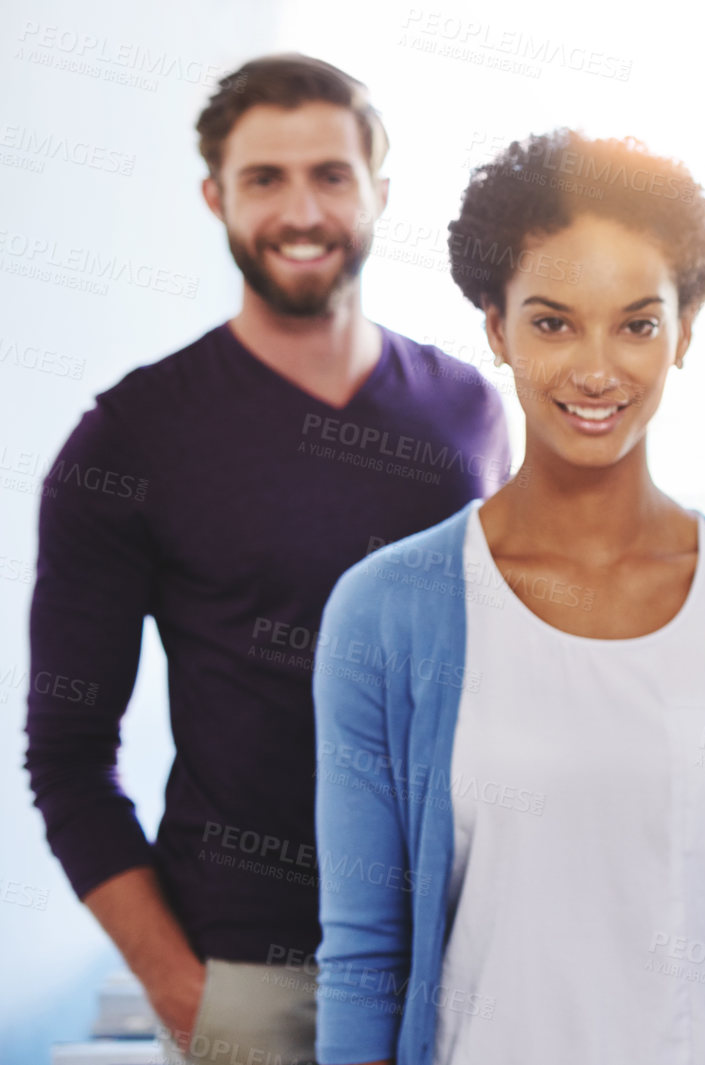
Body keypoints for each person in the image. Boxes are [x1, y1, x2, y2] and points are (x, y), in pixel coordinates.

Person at [313, 130, 705, 1065]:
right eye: (552, 320)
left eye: (637, 322)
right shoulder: (385, 613)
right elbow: (365, 956)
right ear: (495, 327)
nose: (596, 368)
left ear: (684, 330)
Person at [23, 54, 509, 1065]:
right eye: (264, 179)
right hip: (250, 978)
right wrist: (183, 990)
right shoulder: (131, 439)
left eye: (331, 174)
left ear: (381, 191)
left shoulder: (468, 410)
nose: (302, 210)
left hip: (467, 957)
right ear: (216, 197)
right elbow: (68, 757)